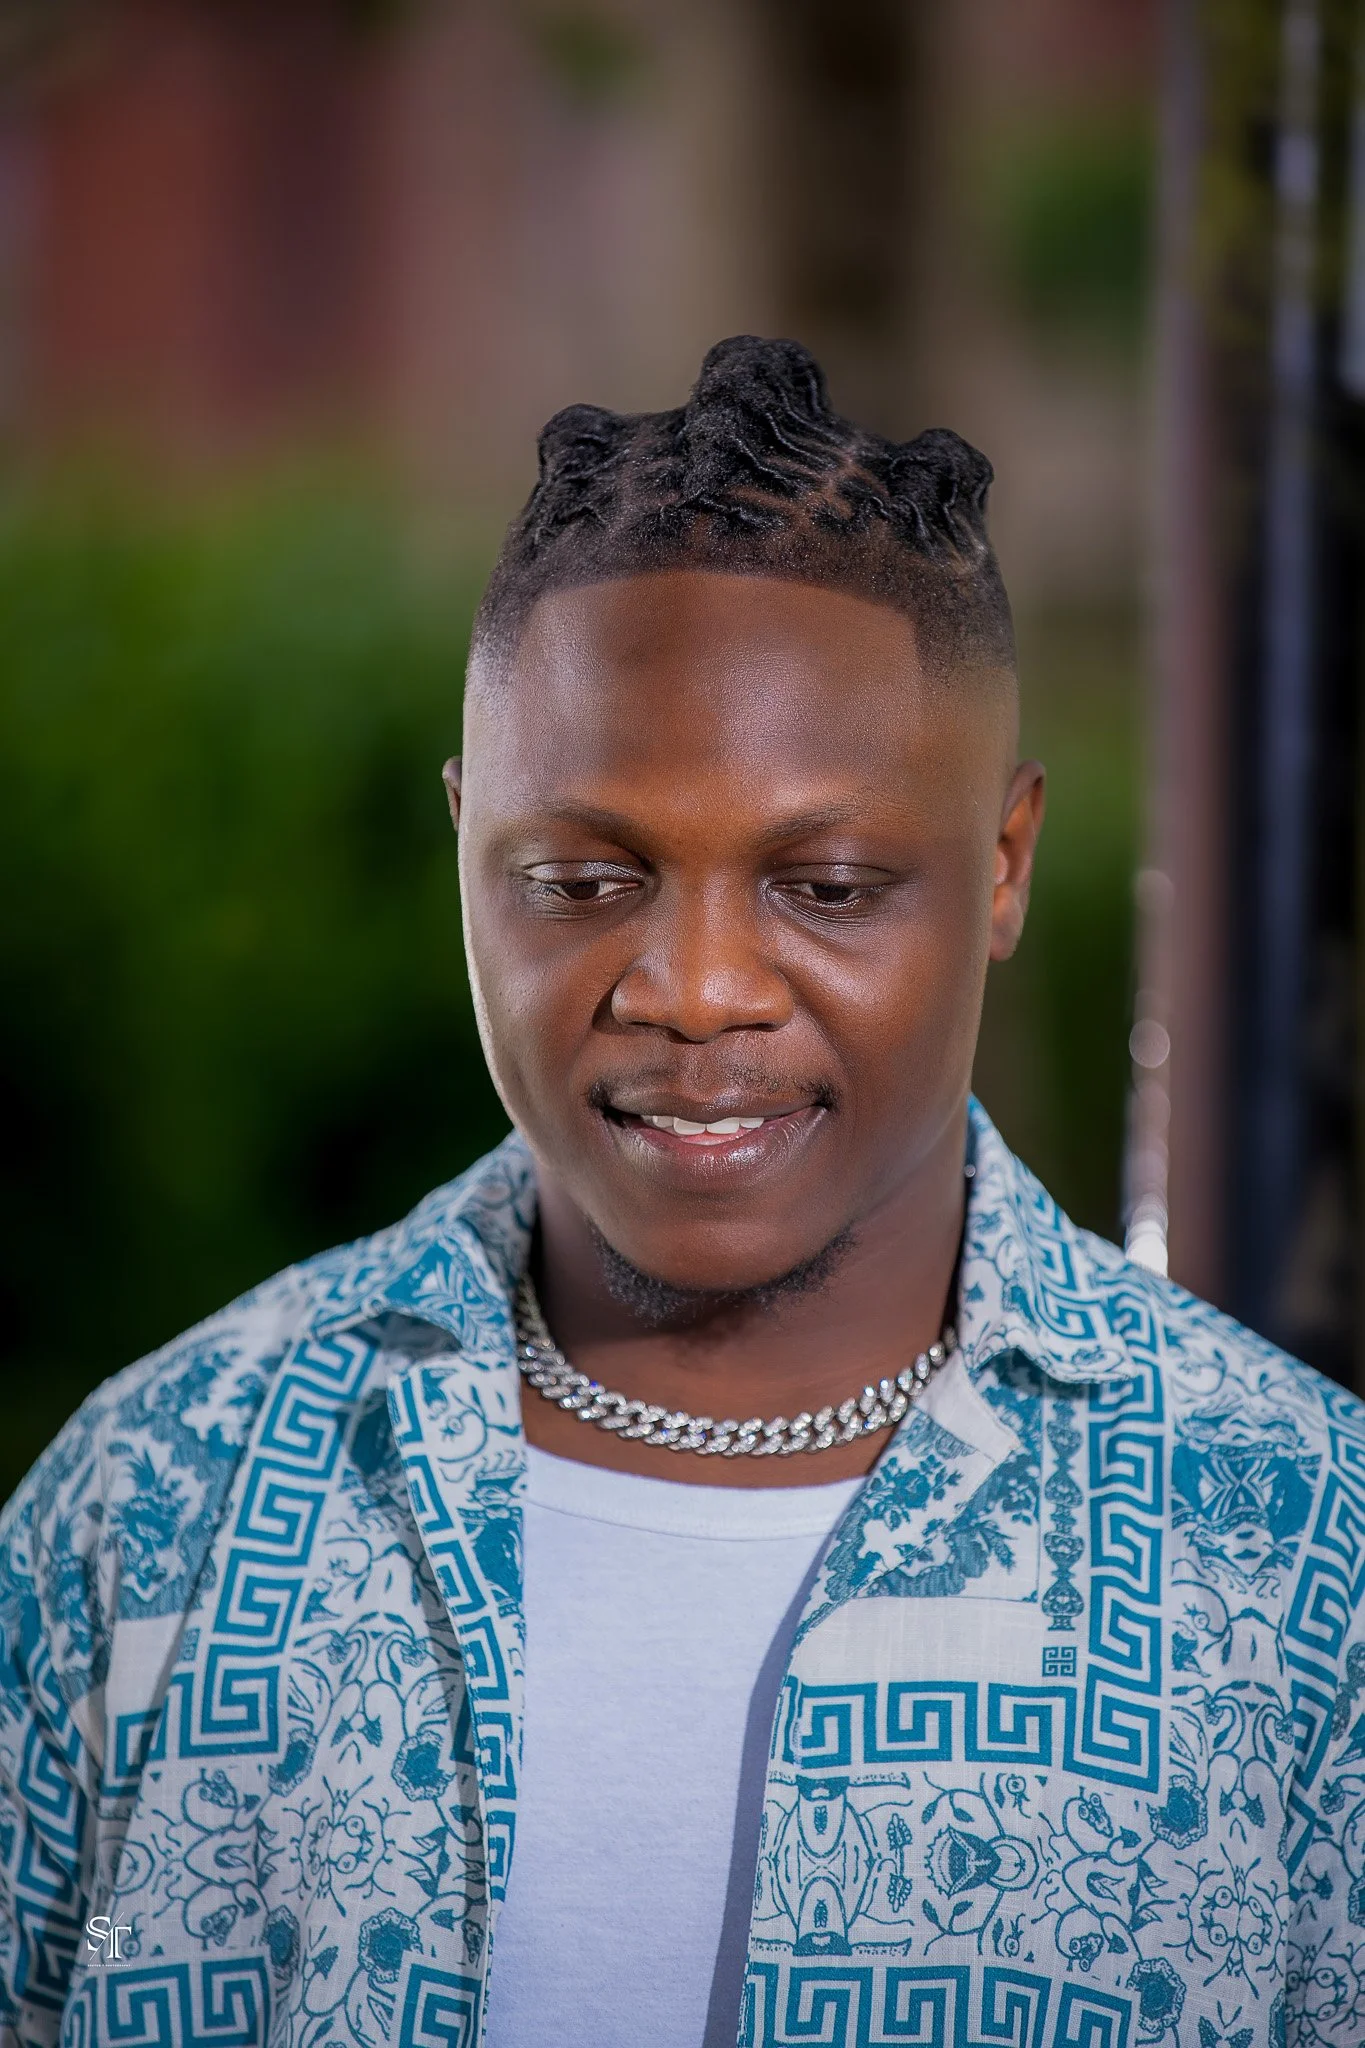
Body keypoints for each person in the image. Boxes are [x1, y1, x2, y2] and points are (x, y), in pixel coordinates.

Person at [0, 337, 1359, 2048]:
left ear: (1005, 865)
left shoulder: (1300, 1551)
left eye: (830, 886)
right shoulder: (149, 1507)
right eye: (582, 879)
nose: (697, 990)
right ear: (465, 842)